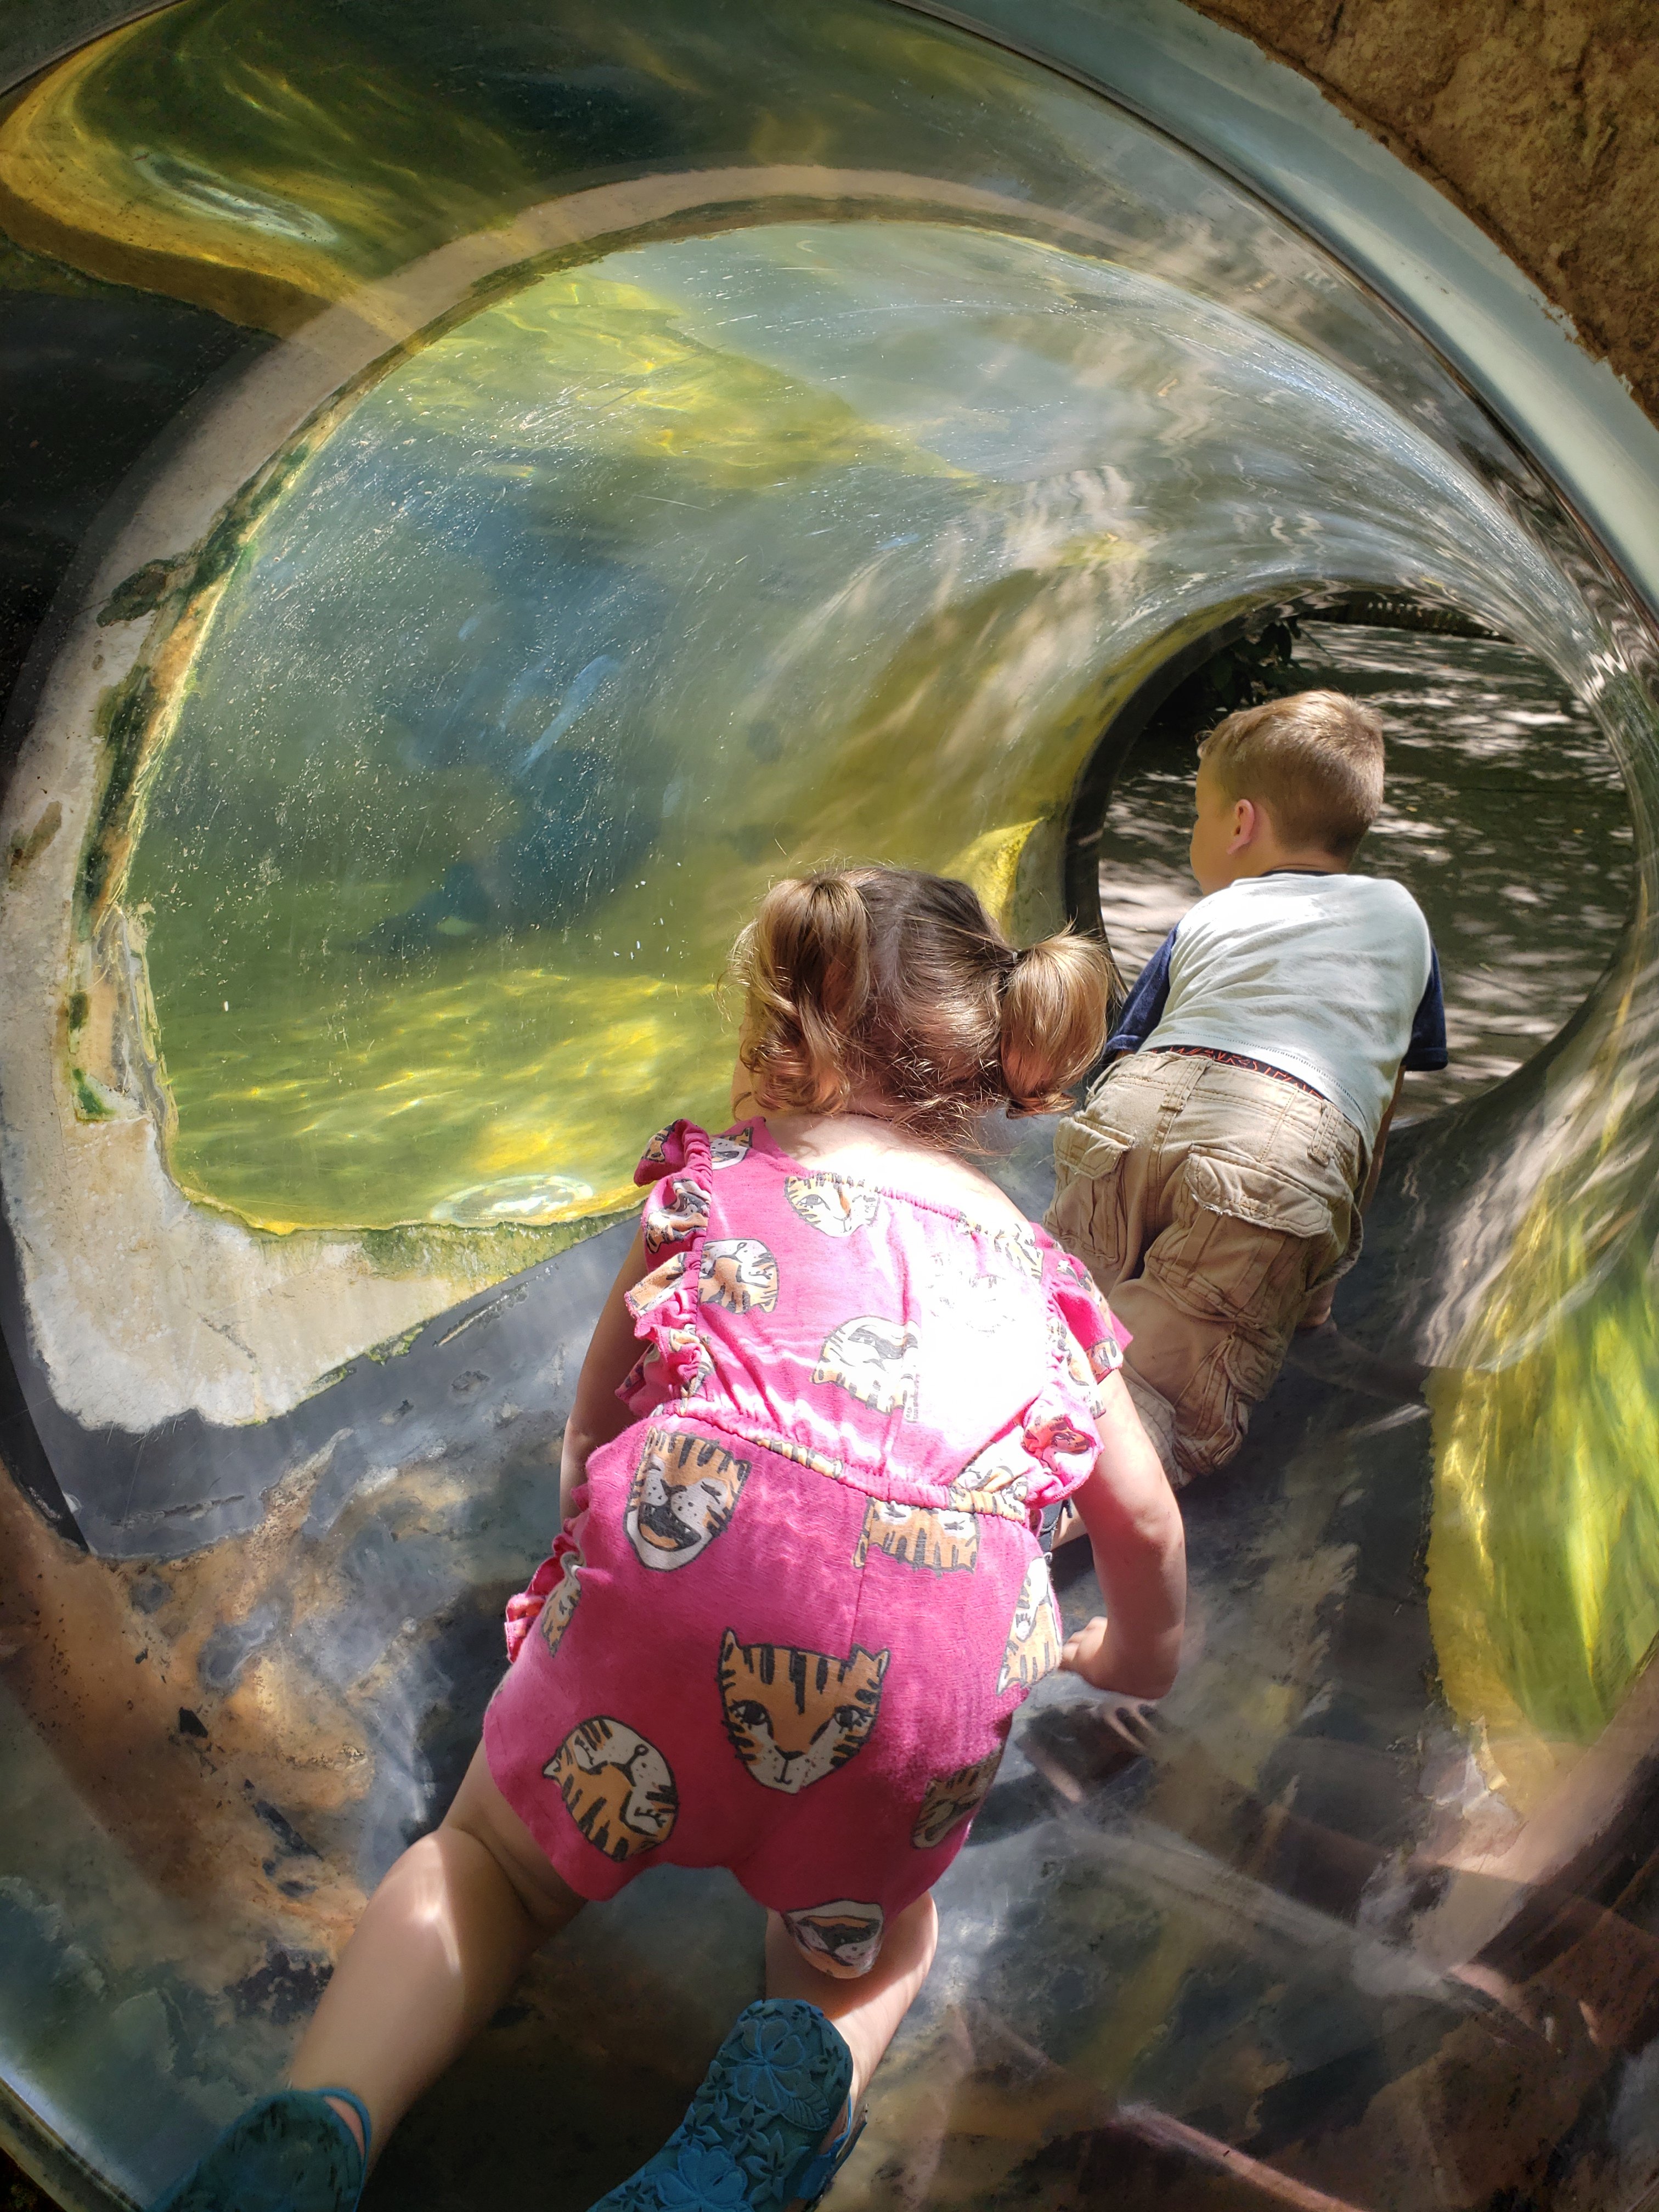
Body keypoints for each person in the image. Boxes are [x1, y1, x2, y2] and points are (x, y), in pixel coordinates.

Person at [155, 866, 1186, 2212]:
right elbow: (1146, 1521)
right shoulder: (1046, 1284)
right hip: (932, 1672)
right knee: (861, 1954)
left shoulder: (712, 1187)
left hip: (677, 1597)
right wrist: (1133, 1658)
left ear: (786, 1028)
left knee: (490, 1870)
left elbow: (595, 1438)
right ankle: (730, 2160)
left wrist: (601, 1567)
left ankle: (320, 2130)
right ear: (995, 1061)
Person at [1046, 690, 1447, 1486]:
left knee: (1049, 1326)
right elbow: (1376, 1105)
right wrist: (1314, 1279)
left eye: (1197, 815)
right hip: (1285, 1145)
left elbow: (1128, 1049)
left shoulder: (1212, 915)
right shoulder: (1403, 915)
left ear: (1240, 824)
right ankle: (1049, 1522)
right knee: (1154, 1400)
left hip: (1138, 1102)